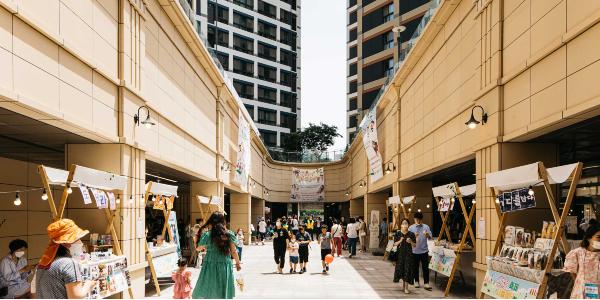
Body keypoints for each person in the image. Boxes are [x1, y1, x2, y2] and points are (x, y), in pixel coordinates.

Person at [35, 219, 97, 299]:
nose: (81, 243)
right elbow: (75, 297)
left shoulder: (43, 263)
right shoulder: (69, 263)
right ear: (65, 243)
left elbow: (34, 292)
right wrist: (88, 285)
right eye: (77, 239)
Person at [192, 211, 241, 299]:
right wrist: (237, 263)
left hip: (210, 263)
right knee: (223, 287)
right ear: (223, 221)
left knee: (210, 286)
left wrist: (195, 239)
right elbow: (234, 251)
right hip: (225, 263)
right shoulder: (228, 234)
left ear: (211, 222)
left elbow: (198, 248)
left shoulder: (207, 235)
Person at [563, 223, 600, 299]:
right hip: (580, 292)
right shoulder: (578, 253)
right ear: (589, 238)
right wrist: (580, 282)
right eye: (598, 237)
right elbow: (572, 272)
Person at [409, 212, 432, 290]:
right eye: (416, 219)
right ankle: (416, 281)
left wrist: (427, 235)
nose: (418, 221)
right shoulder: (411, 228)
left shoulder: (426, 227)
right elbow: (408, 239)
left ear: (422, 219)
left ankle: (426, 283)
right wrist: (413, 236)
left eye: (419, 220)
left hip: (424, 251)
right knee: (415, 267)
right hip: (414, 251)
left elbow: (430, 238)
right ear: (414, 219)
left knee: (425, 267)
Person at [393, 218, 416, 294]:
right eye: (403, 223)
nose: (404, 224)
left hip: (408, 254)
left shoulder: (411, 234)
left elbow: (415, 245)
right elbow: (395, 244)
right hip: (400, 255)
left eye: (406, 223)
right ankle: (403, 286)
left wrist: (411, 241)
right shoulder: (398, 234)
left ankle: (406, 288)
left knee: (407, 269)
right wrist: (400, 240)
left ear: (408, 225)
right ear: (401, 225)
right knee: (402, 269)